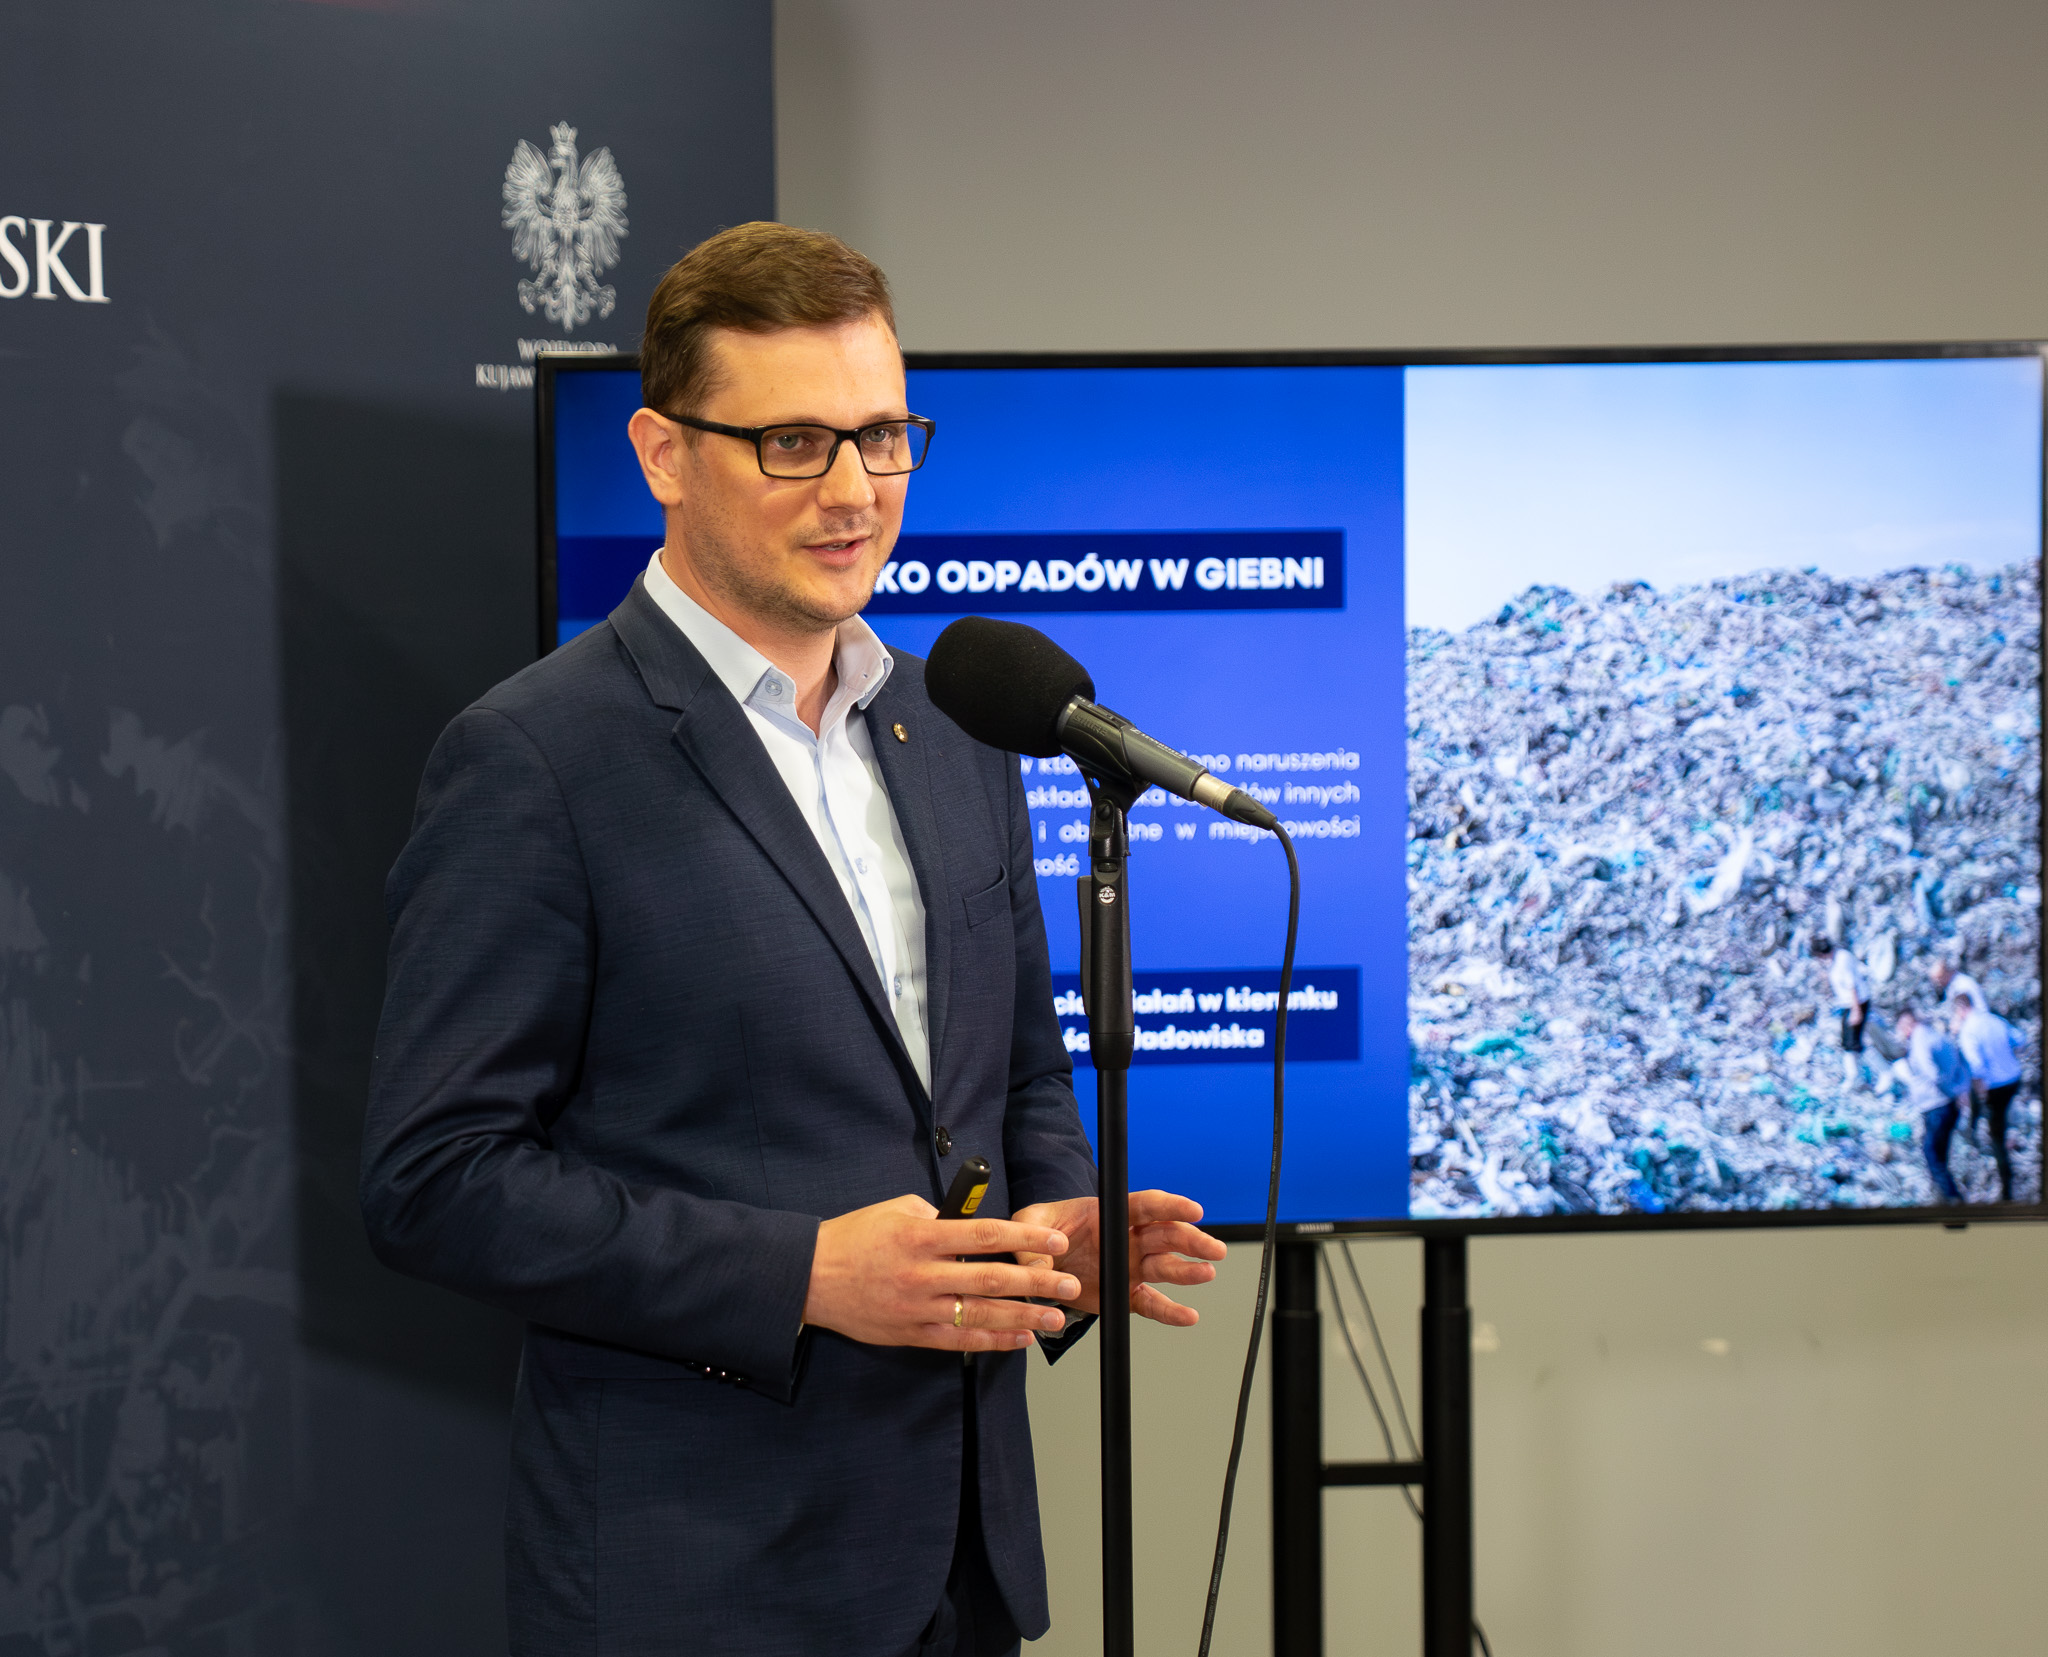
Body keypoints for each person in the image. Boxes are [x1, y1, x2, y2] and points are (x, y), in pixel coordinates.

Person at [359, 223, 1227, 1657]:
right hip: (703, 1582)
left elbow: (1015, 1076)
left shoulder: (959, 725)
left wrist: (1051, 1228)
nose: (854, 492)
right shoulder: (534, 760)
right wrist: (805, 1274)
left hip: (961, 1565)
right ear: (661, 453)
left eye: (882, 437)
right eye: (793, 444)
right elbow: (435, 1179)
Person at [1952, 991, 2023, 1201]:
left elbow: (1976, 1067)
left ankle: (2007, 1188)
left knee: (1996, 1134)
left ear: (1961, 1009)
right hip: (2013, 1078)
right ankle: (1974, 1128)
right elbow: (2020, 1039)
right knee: (1999, 1116)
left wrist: (1982, 1092)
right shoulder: (1995, 1020)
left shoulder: (1968, 1030)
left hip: (1994, 1086)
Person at [1894, 1008, 1971, 1203]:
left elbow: (1932, 1074)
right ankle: (1944, 1197)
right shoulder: (1937, 1036)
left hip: (1936, 1105)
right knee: (1941, 1154)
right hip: (1948, 1104)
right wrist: (1960, 1090)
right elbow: (1960, 1063)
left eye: (1900, 1028)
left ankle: (1952, 1198)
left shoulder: (1920, 1041)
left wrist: (1952, 1092)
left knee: (1931, 1153)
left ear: (1906, 1025)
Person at [1812, 936, 1870, 1091]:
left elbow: (1852, 985)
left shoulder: (1842, 959)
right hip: (1848, 1004)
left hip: (1856, 1003)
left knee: (1852, 1042)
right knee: (1849, 1041)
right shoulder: (1837, 958)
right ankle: (1855, 1076)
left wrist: (1856, 1011)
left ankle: (1858, 1077)